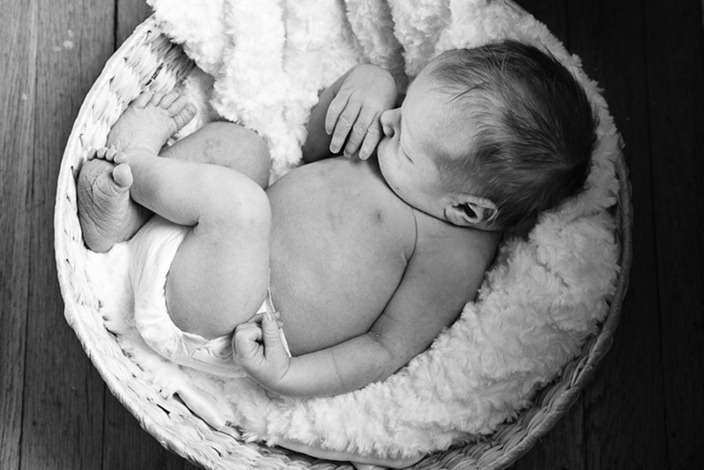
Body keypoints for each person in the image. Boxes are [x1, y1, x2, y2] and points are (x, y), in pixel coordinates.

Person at [77, 40, 595, 397]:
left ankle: (135, 160)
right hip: (199, 233)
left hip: (223, 321)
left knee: (244, 207)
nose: (388, 120)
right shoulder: (405, 150)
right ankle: (121, 219)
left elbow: (385, 348)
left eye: (400, 133)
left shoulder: (452, 256)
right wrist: (368, 83)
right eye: (403, 103)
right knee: (247, 150)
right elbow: (313, 147)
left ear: (466, 210)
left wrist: (287, 376)